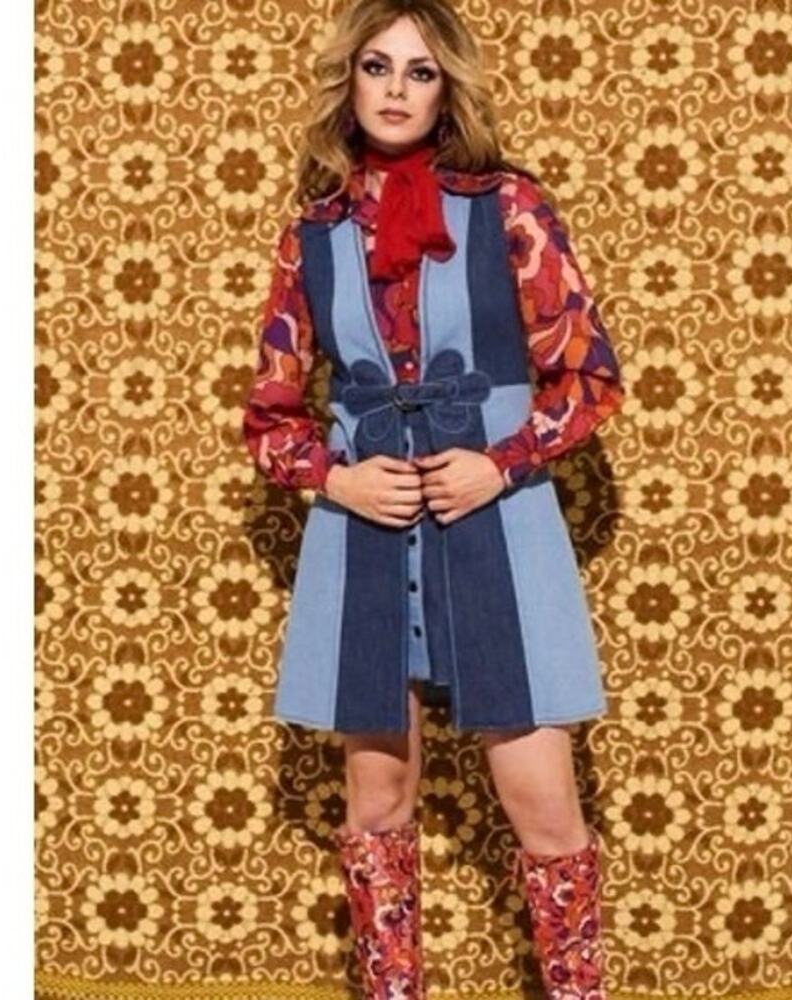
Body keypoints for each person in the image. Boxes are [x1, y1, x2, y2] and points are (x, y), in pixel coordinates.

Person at [242, 1, 626, 996]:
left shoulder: (511, 208)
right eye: (378, 67)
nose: (396, 90)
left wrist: (499, 461)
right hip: (363, 533)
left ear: (447, 88)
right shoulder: (312, 234)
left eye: (419, 71)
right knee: (376, 803)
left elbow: (590, 378)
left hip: (498, 518)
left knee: (543, 807)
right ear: (350, 81)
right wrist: (337, 478)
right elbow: (269, 416)